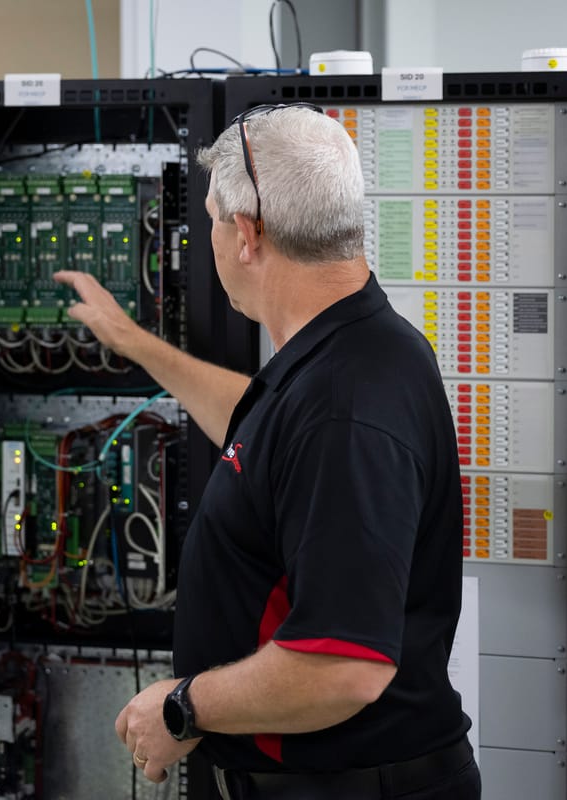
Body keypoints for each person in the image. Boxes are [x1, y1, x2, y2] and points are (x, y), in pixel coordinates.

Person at [53, 103, 481, 800]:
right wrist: (134, 344)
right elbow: (266, 430)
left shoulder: (349, 405)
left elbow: (344, 667)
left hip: (346, 786)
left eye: (214, 218)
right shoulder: (348, 346)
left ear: (247, 235)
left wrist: (182, 707)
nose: (211, 236)